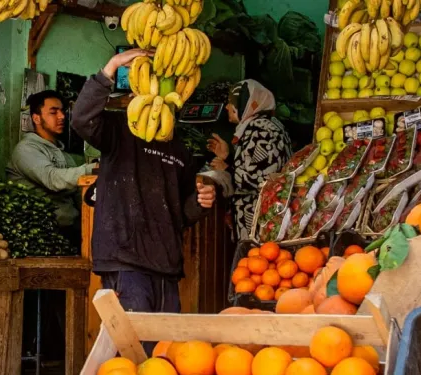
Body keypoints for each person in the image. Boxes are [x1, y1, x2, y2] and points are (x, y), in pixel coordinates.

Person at [71, 48, 224, 315]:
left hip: (165, 264)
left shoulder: (180, 149)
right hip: (125, 260)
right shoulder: (119, 130)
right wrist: (111, 68)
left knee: (164, 350)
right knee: (134, 350)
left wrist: (201, 202)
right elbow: (82, 119)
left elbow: (181, 213)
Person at [208, 79, 292, 239]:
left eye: (231, 103)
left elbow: (257, 179)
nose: (227, 107)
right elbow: (257, 165)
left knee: (256, 261)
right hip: (261, 217)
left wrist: (226, 169)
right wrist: (228, 157)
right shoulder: (266, 125)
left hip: (260, 220)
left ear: (246, 103)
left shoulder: (261, 130)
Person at [7, 89, 94, 231]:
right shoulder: (26, 150)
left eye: (62, 111)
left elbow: (79, 195)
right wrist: (93, 168)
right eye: (53, 112)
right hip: (40, 233)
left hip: (71, 229)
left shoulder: (64, 156)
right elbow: (52, 179)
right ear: (36, 118)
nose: (61, 117)